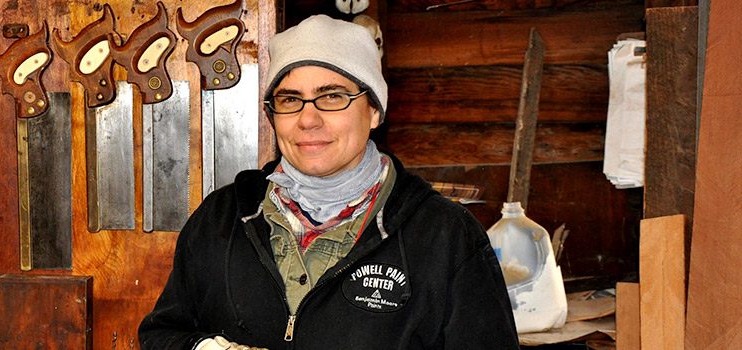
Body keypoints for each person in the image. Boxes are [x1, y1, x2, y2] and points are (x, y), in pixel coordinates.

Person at [139, 14, 519, 349]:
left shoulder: (444, 236)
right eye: (289, 100)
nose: (308, 120)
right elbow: (162, 333)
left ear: (373, 110)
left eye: (332, 96)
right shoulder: (222, 218)